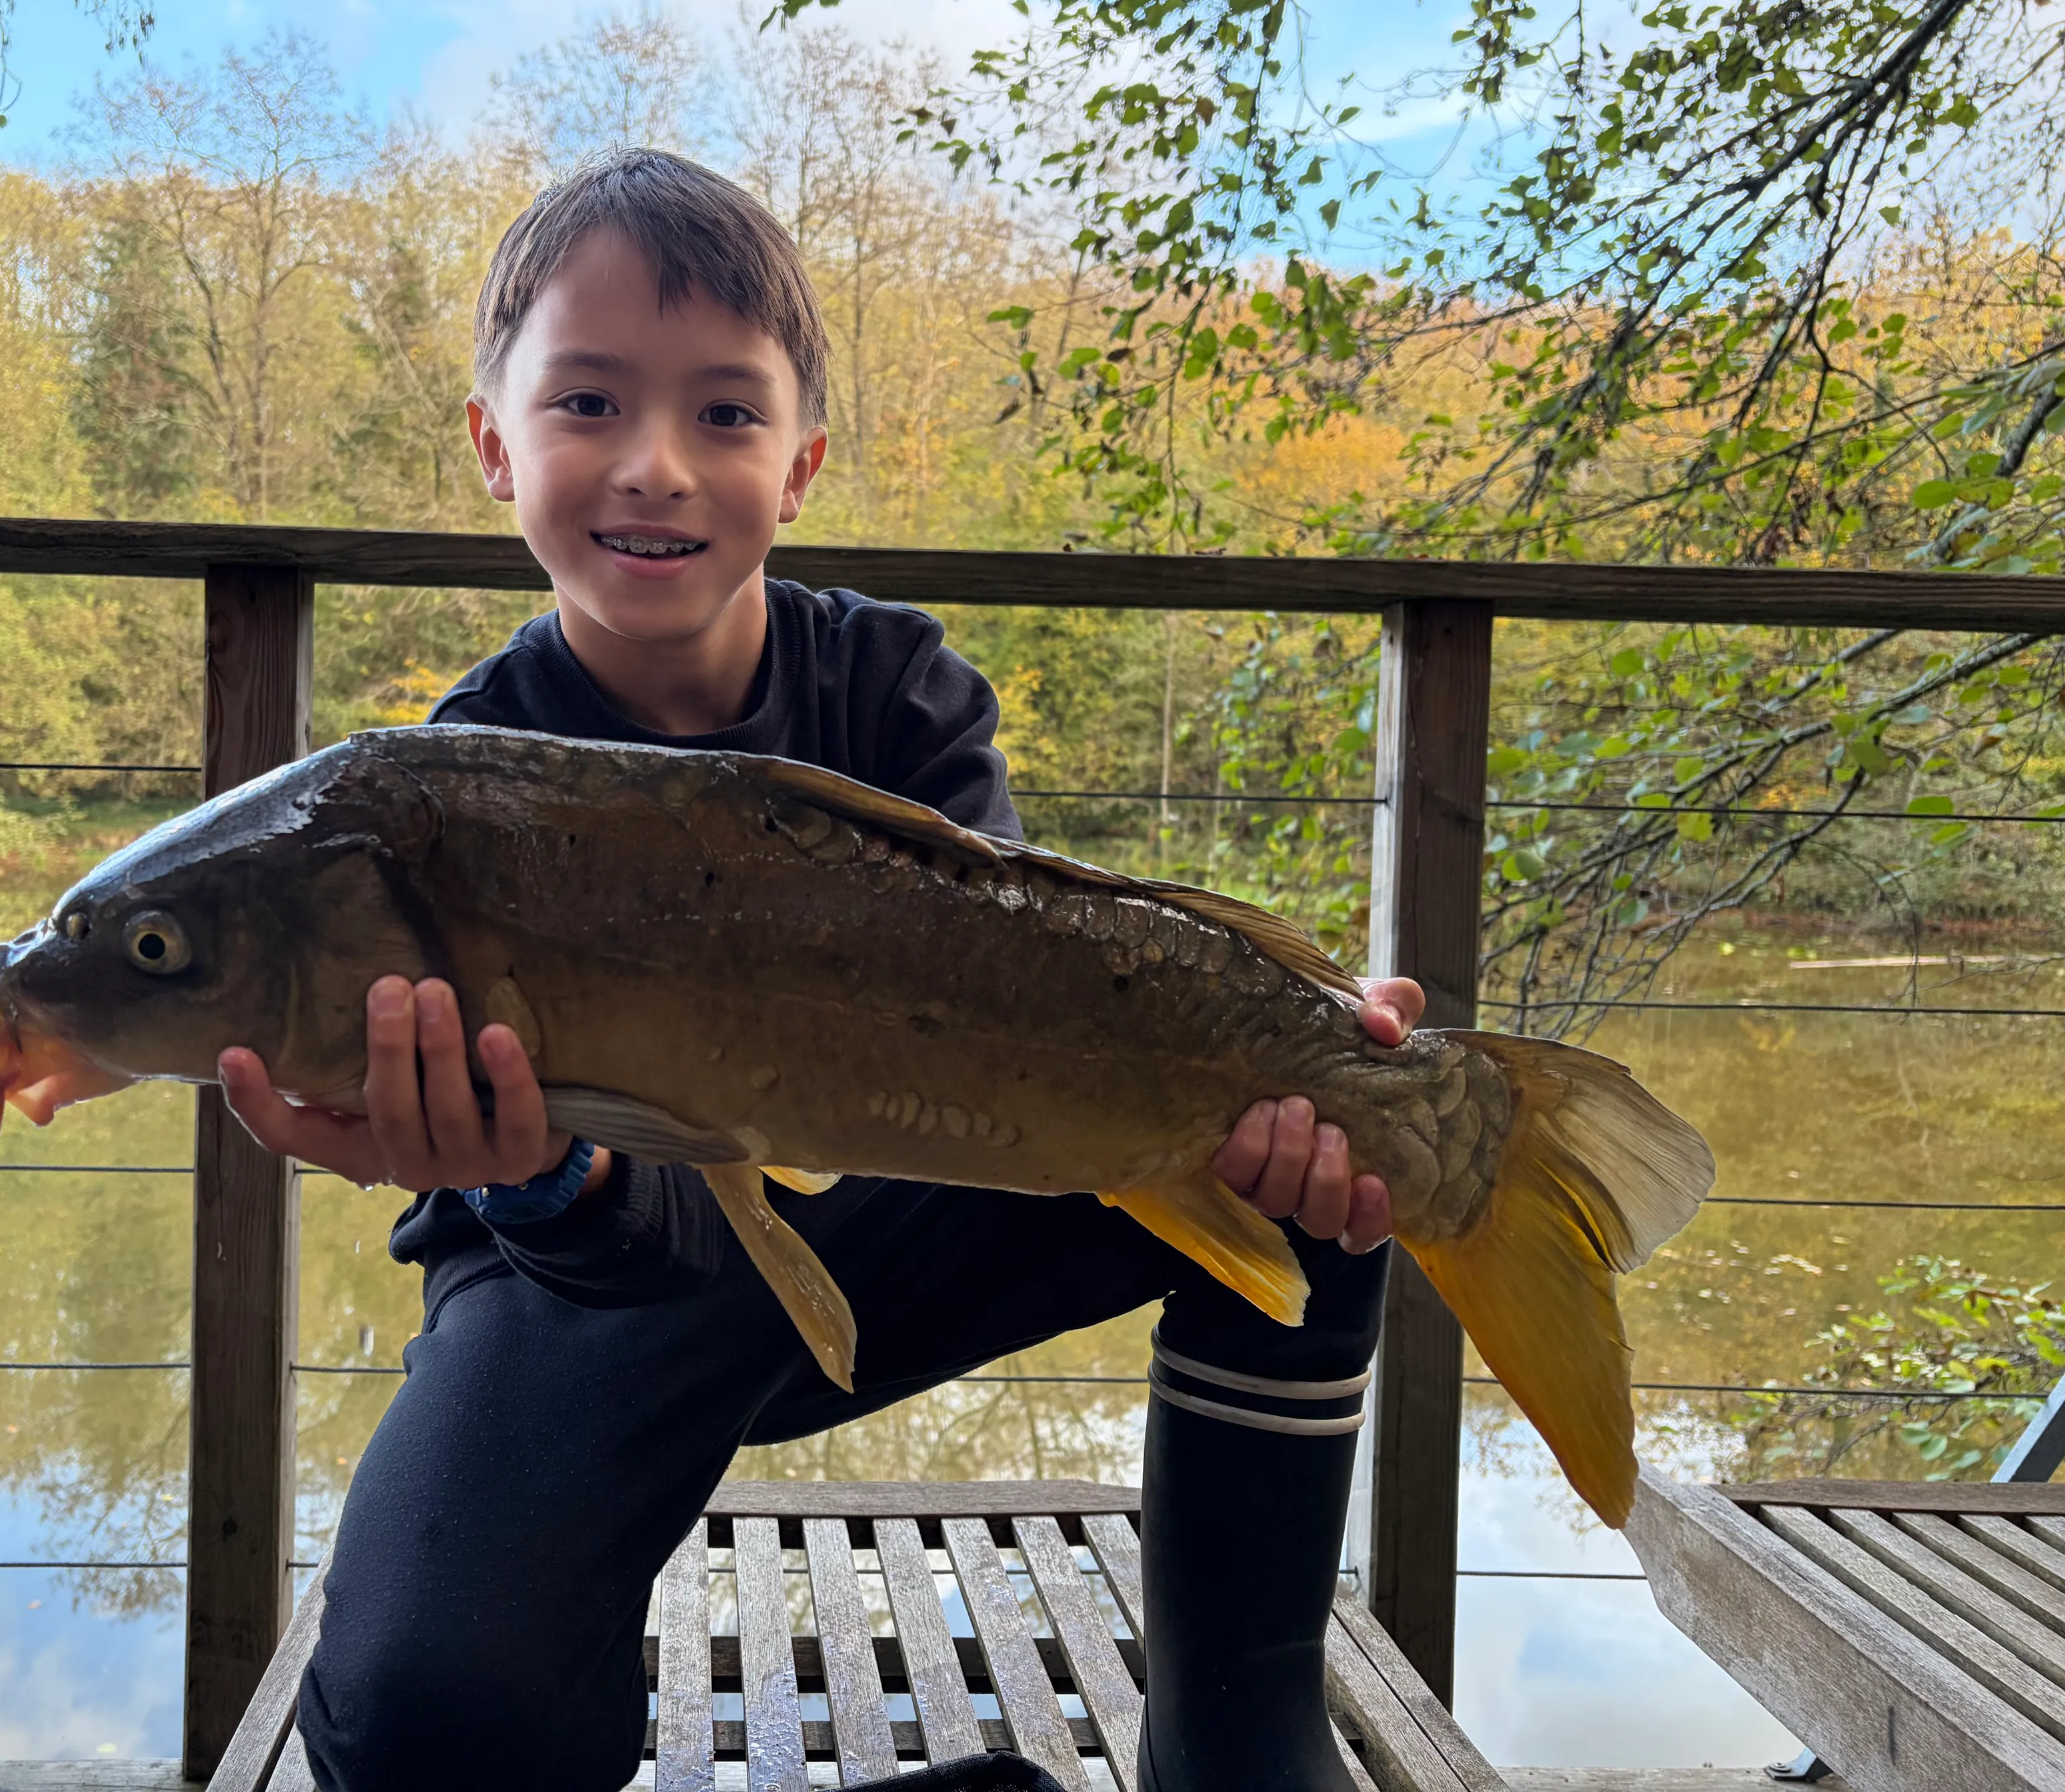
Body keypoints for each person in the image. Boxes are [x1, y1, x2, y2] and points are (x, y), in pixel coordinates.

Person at [215, 147, 1425, 1792]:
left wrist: (1278, 1045)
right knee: (421, 1720)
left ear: (800, 467)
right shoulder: (445, 794)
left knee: (1337, 1145)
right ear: (497, 445)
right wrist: (542, 1180)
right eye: (586, 403)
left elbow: (1044, 1003)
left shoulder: (902, 690)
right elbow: (611, 1238)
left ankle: (1241, 1728)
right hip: (580, 1281)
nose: (654, 465)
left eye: (723, 414)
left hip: (892, 1209)